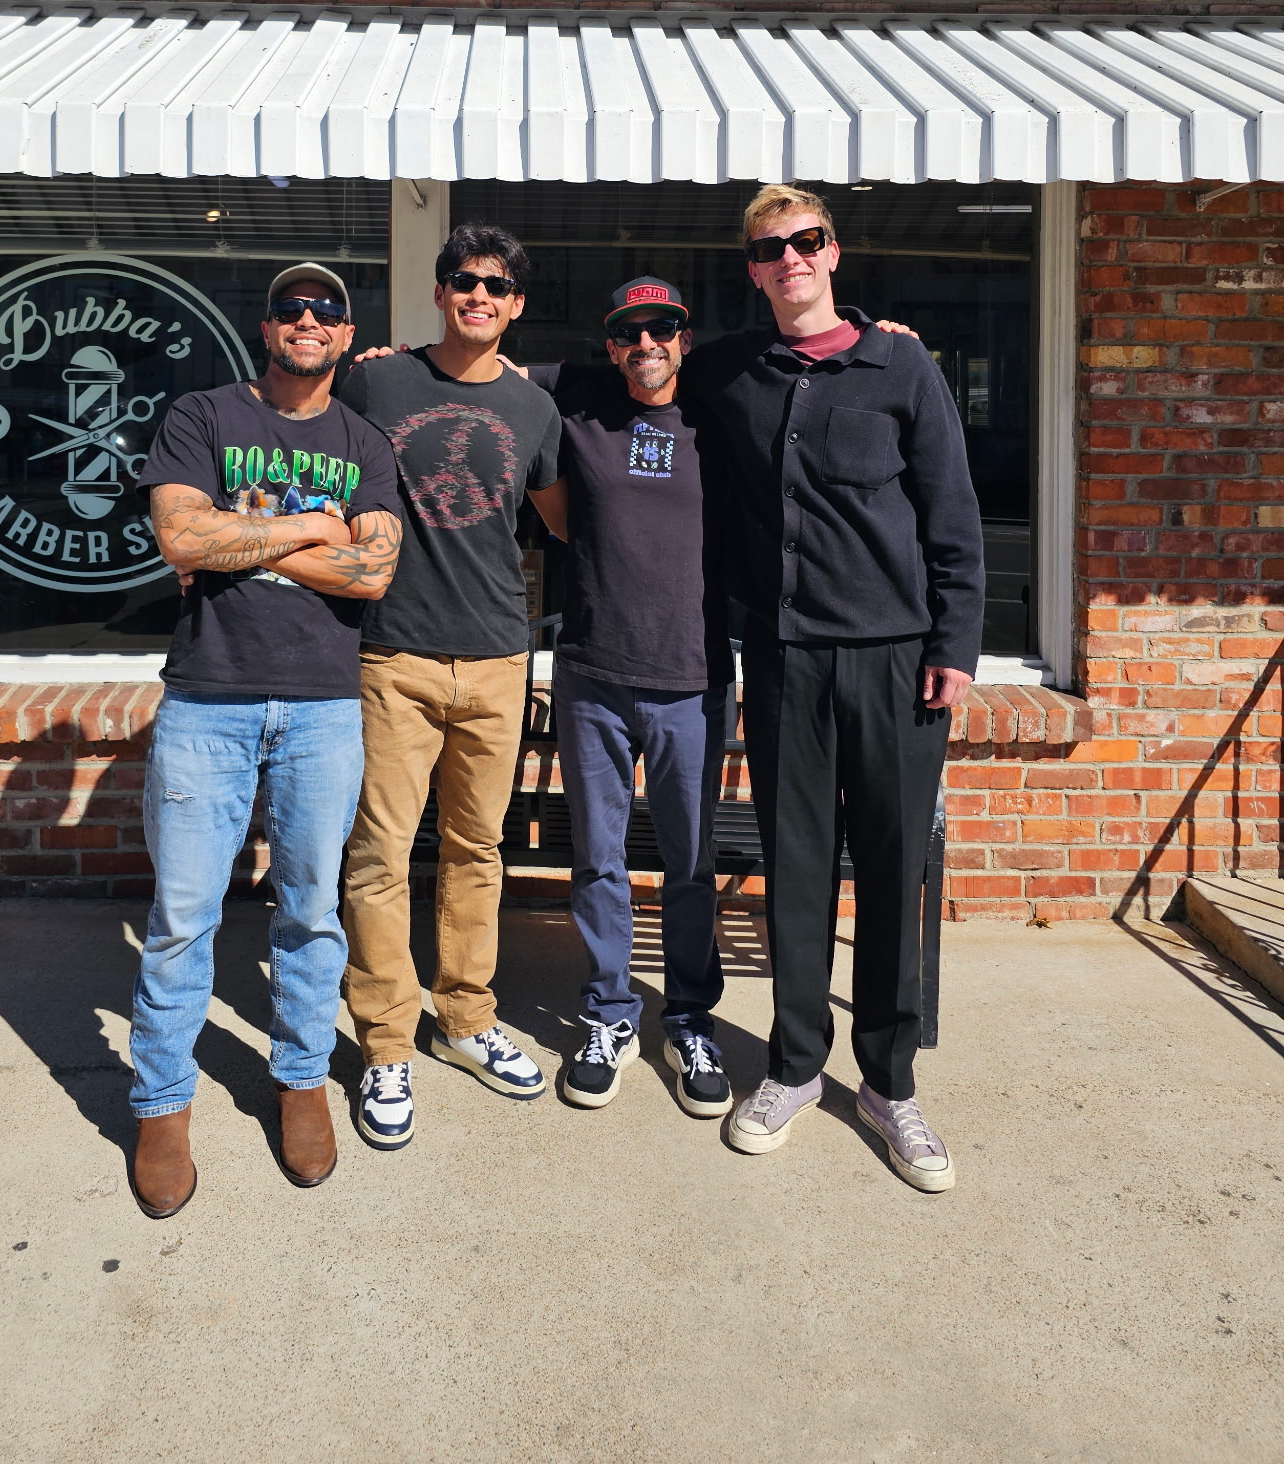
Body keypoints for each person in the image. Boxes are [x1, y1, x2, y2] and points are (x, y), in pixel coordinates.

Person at [685, 187, 984, 1192]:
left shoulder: (900, 362)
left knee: (895, 867)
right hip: (783, 656)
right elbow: (613, 377)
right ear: (755, 268)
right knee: (797, 864)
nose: (790, 258)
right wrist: (420, 365)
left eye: (805, 241)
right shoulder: (730, 370)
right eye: (771, 249)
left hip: (899, 660)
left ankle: (889, 1081)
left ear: (833, 251)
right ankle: (796, 1064)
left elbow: (953, 512)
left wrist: (958, 642)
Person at [128, 265, 403, 1211]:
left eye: (324, 310)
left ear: (345, 329)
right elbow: (182, 542)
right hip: (208, 701)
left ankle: (300, 1083)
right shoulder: (202, 417)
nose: (307, 321)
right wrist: (311, 526)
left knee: (312, 913)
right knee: (179, 921)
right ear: (267, 326)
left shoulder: (363, 439)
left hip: (323, 707)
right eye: (290, 308)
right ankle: (162, 1106)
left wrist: (250, 530)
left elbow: (371, 574)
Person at [336, 224, 564, 1151]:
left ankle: (465, 1021)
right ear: (440, 292)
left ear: (516, 304)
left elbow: (563, 520)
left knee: (477, 852)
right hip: (394, 656)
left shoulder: (534, 408)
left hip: (499, 657)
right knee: (380, 856)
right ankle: (387, 1042)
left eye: (497, 286)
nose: (479, 296)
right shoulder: (378, 381)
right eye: (463, 281)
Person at [515, 278, 735, 1120]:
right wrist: (401, 360)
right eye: (629, 331)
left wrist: (878, 331)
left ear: (685, 338)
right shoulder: (580, 405)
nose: (647, 343)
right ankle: (610, 1015)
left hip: (692, 679)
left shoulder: (719, 414)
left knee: (687, 863)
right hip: (595, 676)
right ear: (610, 345)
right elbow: (487, 368)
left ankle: (688, 1018)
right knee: (600, 859)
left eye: (663, 329)